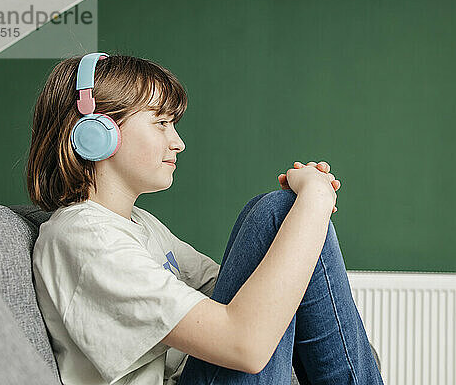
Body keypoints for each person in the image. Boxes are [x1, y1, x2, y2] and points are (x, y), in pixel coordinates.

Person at [26, 52, 383, 385]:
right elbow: (246, 345)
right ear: (95, 134)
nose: (177, 142)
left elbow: (239, 295)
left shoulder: (139, 225)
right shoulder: (85, 240)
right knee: (282, 210)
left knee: (282, 216)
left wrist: (304, 215)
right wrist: (316, 199)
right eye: (161, 122)